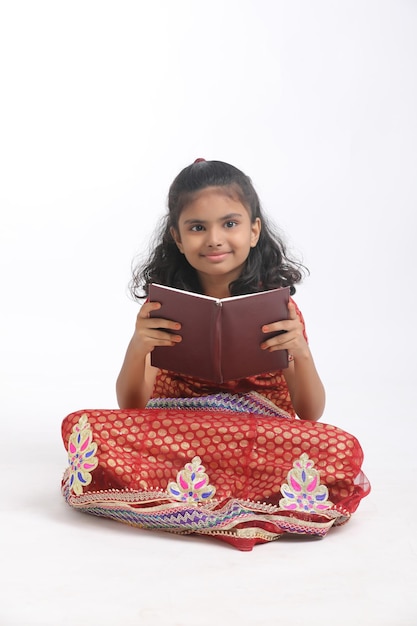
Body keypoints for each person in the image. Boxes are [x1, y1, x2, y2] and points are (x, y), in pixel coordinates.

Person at [61, 159, 370, 551]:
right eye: (197, 227)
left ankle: (189, 490)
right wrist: (138, 345)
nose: (214, 239)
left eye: (229, 223)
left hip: (258, 433)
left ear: (254, 230)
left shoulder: (278, 310)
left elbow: (310, 413)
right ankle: (231, 487)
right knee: (84, 425)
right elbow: (132, 406)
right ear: (177, 236)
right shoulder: (165, 306)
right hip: (176, 429)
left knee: (339, 448)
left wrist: (300, 352)